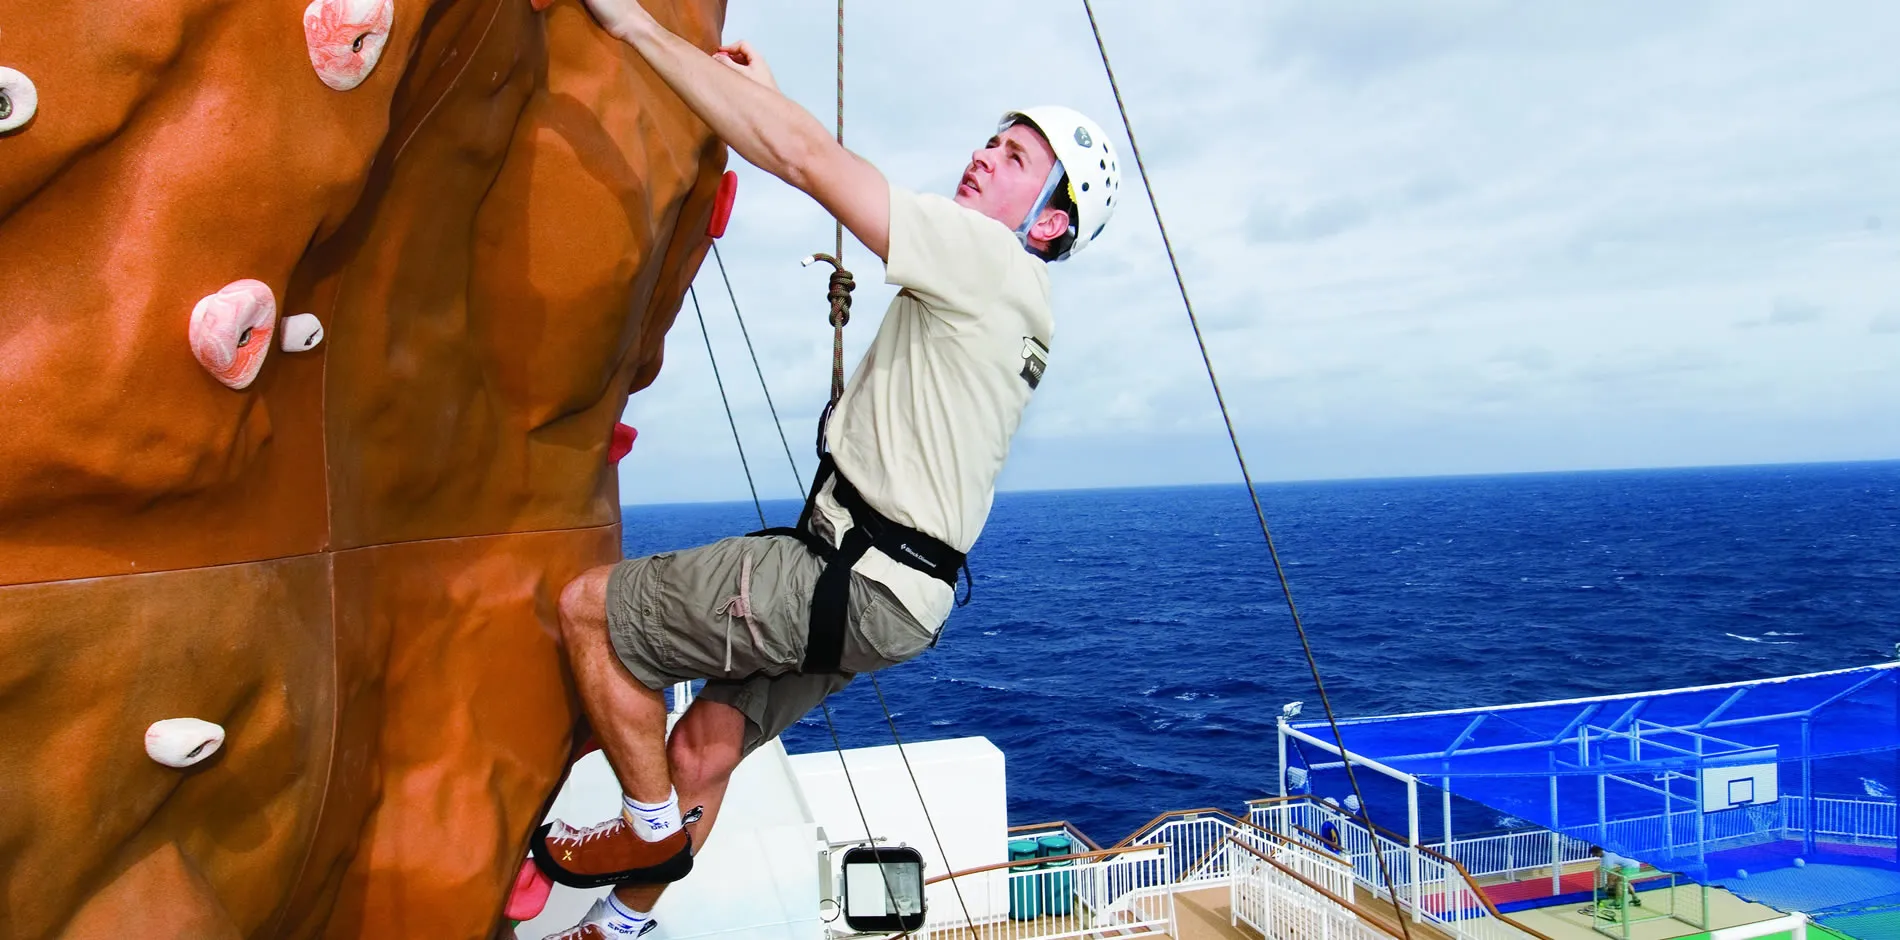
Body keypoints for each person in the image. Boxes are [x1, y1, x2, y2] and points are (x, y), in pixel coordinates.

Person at [532, 2, 1122, 937]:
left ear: (1047, 225)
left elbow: (808, 163)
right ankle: (617, 925)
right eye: (992, 139)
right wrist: (767, 96)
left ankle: (647, 833)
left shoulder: (984, 259)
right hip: (896, 602)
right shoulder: (1021, 308)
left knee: (590, 614)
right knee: (702, 751)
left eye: (1015, 159)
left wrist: (642, 33)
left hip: (846, 576)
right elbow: (813, 148)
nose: (984, 155)